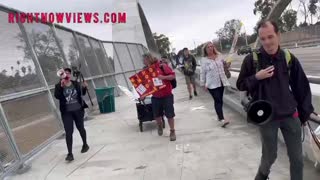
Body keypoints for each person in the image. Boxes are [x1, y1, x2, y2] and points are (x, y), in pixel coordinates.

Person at [236, 20, 314, 180]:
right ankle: (261, 176)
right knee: (270, 156)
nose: (267, 42)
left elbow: (302, 87)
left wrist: (304, 114)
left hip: (289, 115)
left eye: (270, 37)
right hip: (266, 118)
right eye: (263, 38)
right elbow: (241, 85)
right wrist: (257, 77)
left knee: (297, 159)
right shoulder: (252, 60)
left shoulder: (288, 58)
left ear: (278, 36)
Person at [54, 68, 90, 162]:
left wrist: (85, 87)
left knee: (80, 128)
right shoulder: (58, 86)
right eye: (64, 73)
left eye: (68, 73)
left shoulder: (75, 83)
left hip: (78, 110)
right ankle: (70, 154)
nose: (66, 75)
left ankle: (85, 144)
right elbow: (57, 96)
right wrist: (62, 87)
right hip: (66, 113)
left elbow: (82, 93)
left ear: (70, 75)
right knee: (68, 132)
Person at [142, 53, 177, 141]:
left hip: (167, 95)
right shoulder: (145, 71)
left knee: (170, 115)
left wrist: (163, 77)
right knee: (157, 115)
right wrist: (143, 95)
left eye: (144, 60)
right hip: (156, 96)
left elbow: (173, 76)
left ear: (149, 59)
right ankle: (159, 125)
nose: (143, 62)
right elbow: (146, 85)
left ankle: (172, 131)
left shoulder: (162, 66)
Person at [200, 42, 231, 127]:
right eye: (208, 47)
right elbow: (202, 73)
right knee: (217, 100)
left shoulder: (219, 56)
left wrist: (227, 65)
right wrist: (203, 84)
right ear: (205, 49)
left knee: (220, 100)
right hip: (211, 84)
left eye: (211, 46)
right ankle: (222, 119)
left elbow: (224, 66)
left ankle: (219, 116)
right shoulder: (204, 60)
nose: (210, 48)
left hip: (221, 81)